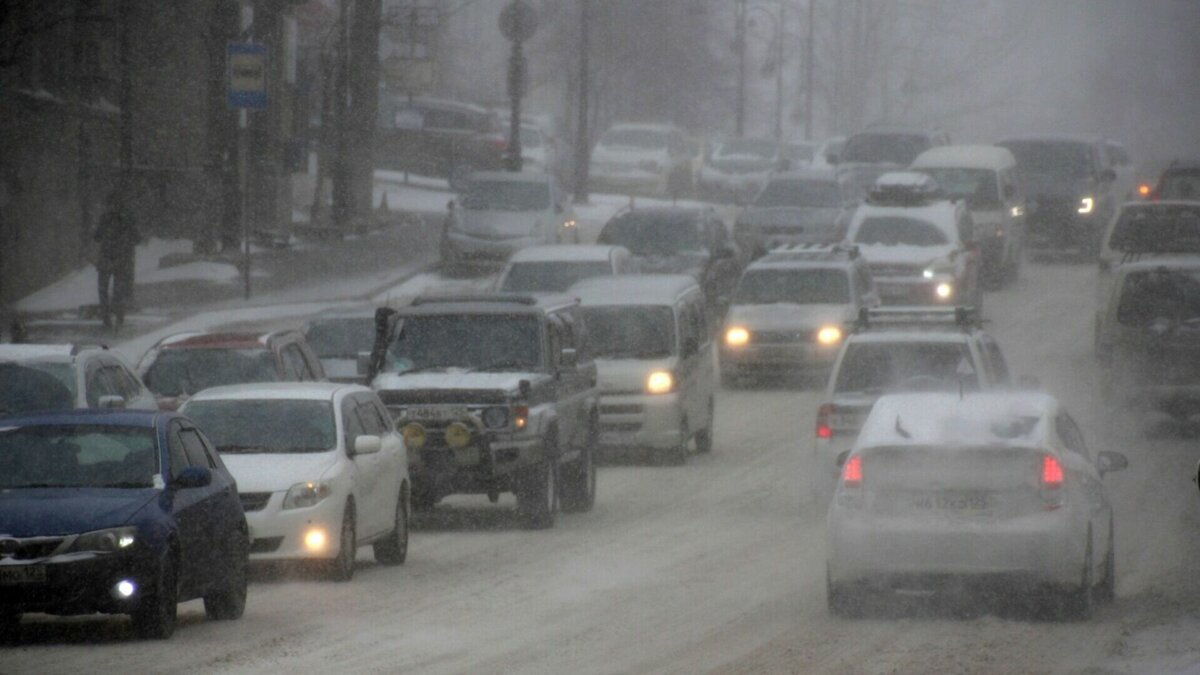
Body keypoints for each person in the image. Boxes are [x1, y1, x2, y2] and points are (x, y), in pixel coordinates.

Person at [94, 188, 140, 329]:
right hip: (121, 259)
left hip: (107, 258)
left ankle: (107, 318)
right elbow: (137, 238)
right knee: (118, 290)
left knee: (103, 290)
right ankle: (119, 317)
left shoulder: (105, 218)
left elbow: (97, 236)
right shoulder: (127, 218)